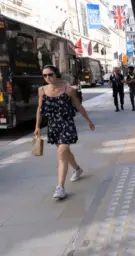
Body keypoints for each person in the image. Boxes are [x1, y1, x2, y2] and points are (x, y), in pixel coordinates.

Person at [34, 65, 95, 199]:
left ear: (56, 74)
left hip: (67, 124)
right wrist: (37, 126)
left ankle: (60, 187)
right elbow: (39, 108)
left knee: (61, 152)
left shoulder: (69, 90)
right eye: (44, 76)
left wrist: (89, 121)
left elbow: (78, 106)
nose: (47, 78)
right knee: (65, 152)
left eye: (50, 74)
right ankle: (77, 169)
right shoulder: (42, 90)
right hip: (53, 125)